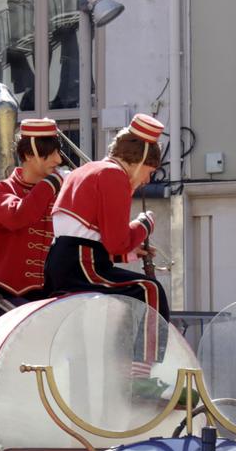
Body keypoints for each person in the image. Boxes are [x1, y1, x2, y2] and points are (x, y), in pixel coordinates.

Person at [46, 113, 171, 367]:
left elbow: (93, 236)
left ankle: (126, 365)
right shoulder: (114, 176)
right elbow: (116, 241)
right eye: (149, 171)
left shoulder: (87, 170)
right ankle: (141, 375)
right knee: (150, 289)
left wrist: (130, 252)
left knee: (133, 292)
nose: (147, 180)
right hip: (83, 264)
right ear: (140, 160)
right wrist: (145, 224)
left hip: (65, 260)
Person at [0, 117, 66, 318]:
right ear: (29, 154)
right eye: (51, 153)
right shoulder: (0, 191)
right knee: (29, 327)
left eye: (57, 152)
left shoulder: (58, 192)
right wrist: (52, 183)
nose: (58, 160)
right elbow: (18, 216)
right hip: (7, 291)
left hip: (48, 294)